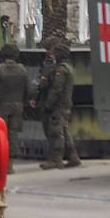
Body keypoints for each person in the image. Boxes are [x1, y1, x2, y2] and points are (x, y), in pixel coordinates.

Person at [0, 42, 31, 173]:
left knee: (0, 136)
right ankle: (10, 165)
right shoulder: (22, 69)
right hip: (17, 106)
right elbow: (28, 90)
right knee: (13, 134)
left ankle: (1, 163)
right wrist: (25, 102)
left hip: (1, 107)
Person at [38, 41, 82, 170]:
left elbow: (56, 89)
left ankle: (56, 160)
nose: (52, 55)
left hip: (59, 105)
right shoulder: (68, 67)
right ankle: (73, 157)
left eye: (54, 53)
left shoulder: (61, 70)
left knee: (55, 132)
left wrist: (48, 104)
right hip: (65, 104)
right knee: (64, 131)